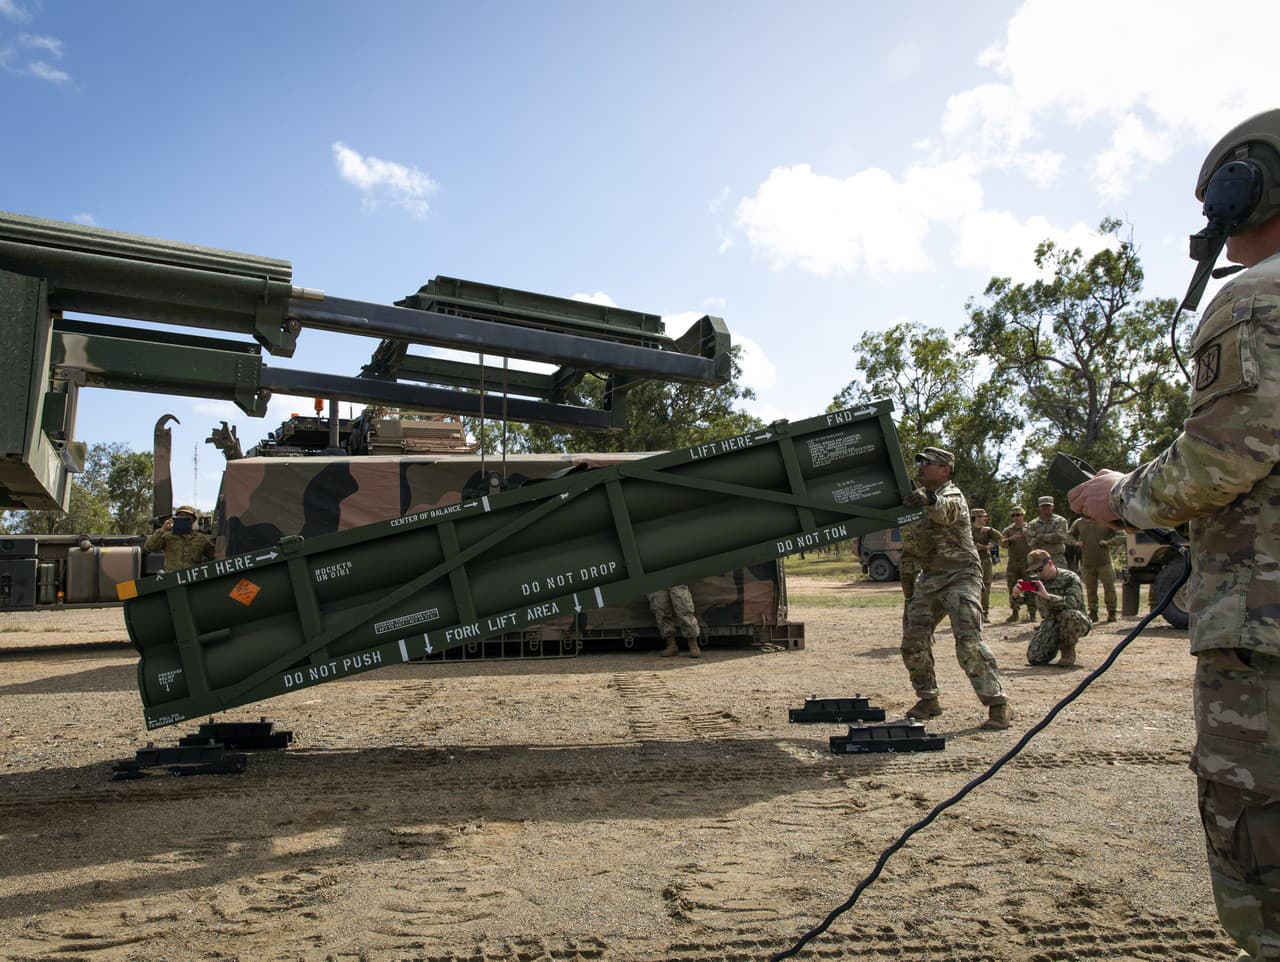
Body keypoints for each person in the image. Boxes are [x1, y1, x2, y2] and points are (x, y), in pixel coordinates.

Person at [1068, 109, 1280, 962]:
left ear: (1243, 188)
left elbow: (1220, 462)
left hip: (1266, 648)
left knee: (1265, 887)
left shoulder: (1257, 299)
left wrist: (1123, 496)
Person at [899, 447, 1012, 730]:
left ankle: (998, 705)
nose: (922, 467)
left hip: (961, 576)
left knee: (968, 641)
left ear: (945, 470)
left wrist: (929, 498)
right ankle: (928, 699)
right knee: (913, 640)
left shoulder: (952, 495)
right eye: (920, 462)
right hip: (931, 578)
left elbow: (945, 511)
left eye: (928, 463)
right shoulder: (916, 500)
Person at [1020, 549, 1091, 667]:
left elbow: (1072, 602)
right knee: (1035, 658)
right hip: (1051, 622)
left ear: (1050, 564)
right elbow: (1026, 601)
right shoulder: (1037, 582)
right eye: (1034, 571)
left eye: (1040, 570)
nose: (1038, 574)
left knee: (1068, 615)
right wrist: (1016, 595)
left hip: (1075, 622)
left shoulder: (1070, 578)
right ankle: (1054, 644)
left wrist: (1048, 597)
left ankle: (1068, 651)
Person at [1068, 514, 1119, 622]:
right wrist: (1075, 542)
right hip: (1087, 563)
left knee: (1109, 588)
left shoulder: (1105, 520)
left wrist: (1109, 542)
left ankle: (1112, 612)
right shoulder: (1079, 522)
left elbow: (1121, 535)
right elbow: (1069, 536)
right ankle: (1093, 612)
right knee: (1090, 589)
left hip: (1105, 562)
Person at [144, 505, 215, 572]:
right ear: (175, 518)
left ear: (193, 520)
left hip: (193, 578)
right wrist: (162, 529)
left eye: (188, 516)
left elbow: (214, 556)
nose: (183, 517)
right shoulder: (167, 535)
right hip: (172, 578)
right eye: (181, 515)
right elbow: (149, 547)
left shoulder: (201, 538)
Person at [1001, 507, 1036, 623]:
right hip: (1013, 562)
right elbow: (1002, 544)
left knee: (1030, 586)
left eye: (1018, 515)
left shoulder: (1031, 528)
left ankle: (1032, 613)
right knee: (1012, 586)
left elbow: (1037, 542)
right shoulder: (1008, 530)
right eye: (1014, 515)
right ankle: (1015, 612)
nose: (1016, 517)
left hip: (1028, 562)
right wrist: (1011, 538)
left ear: (1023, 515)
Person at [647, 584, 701, 658]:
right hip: (656, 578)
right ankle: (671, 645)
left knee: (683, 607)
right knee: (660, 608)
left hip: (674, 577)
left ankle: (693, 644)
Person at [970, 508, 998, 623]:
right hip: (973, 561)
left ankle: (984, 613)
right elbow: (970, 544)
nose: (985, 518)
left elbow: (999, 537)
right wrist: (984, 547)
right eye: (983, 516)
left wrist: (990, 530)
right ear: (977, 517)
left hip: (986, 561)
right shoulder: (969, 530)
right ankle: (973, 614)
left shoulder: (987, 530)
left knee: (986, 587)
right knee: (973, 588)